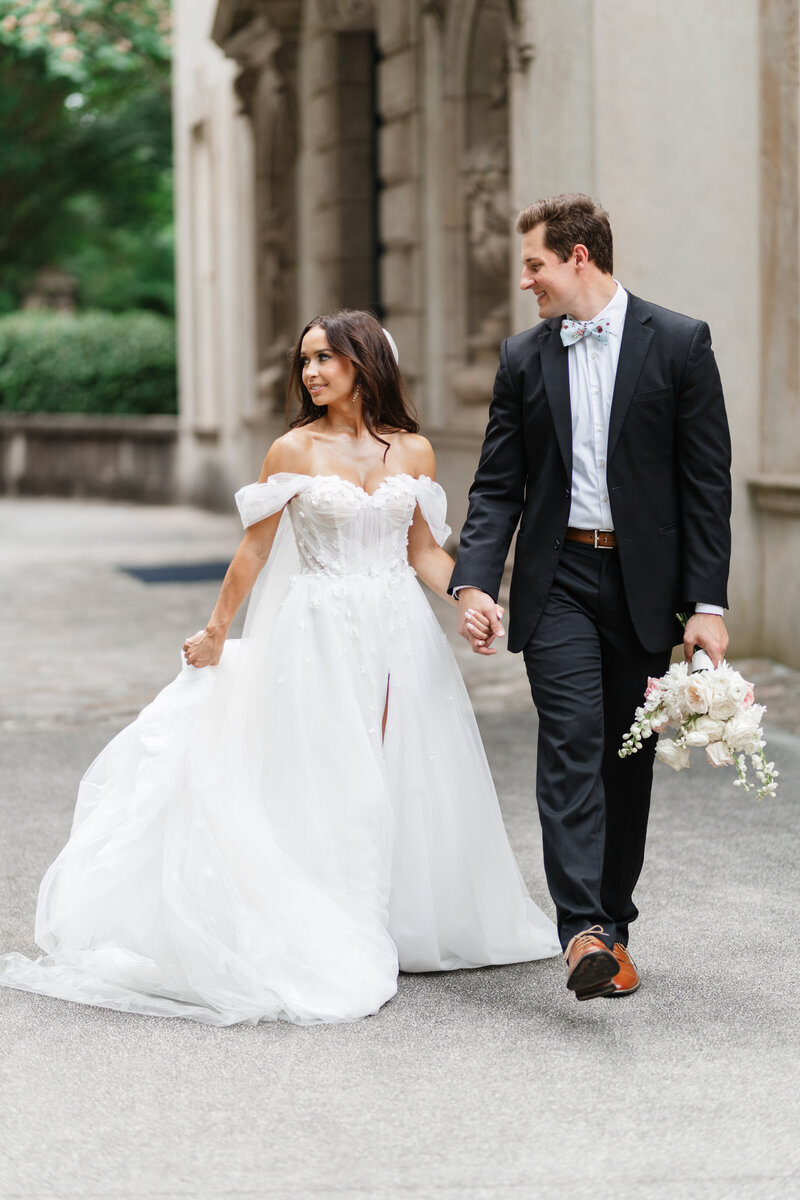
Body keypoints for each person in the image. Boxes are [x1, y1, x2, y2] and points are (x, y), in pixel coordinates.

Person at [0, 309, 559, 1026]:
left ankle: (400, 917)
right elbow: (255, 551)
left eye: (325, 358)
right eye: (305, 361)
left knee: (399, 763)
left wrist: (469, 596)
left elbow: (422, 550)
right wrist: (215, 632)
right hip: (319, 627)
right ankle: (339, 918)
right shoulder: (292, 450)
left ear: (364, 362)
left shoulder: (414, 452)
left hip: (397, 628)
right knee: (334, 770)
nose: (311, 372)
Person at [450, 194, 731, 1001]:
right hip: (560, 579)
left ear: (578, 256)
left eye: (534, 263)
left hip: (646, 588)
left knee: (625, 758)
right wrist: (475, 578)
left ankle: (614, 926)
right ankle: (581, 932)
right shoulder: (521, 358)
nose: (527, 280)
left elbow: (704, 484)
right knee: (571, 740)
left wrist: (705, 602)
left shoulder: (679, 343)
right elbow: (498, 485)